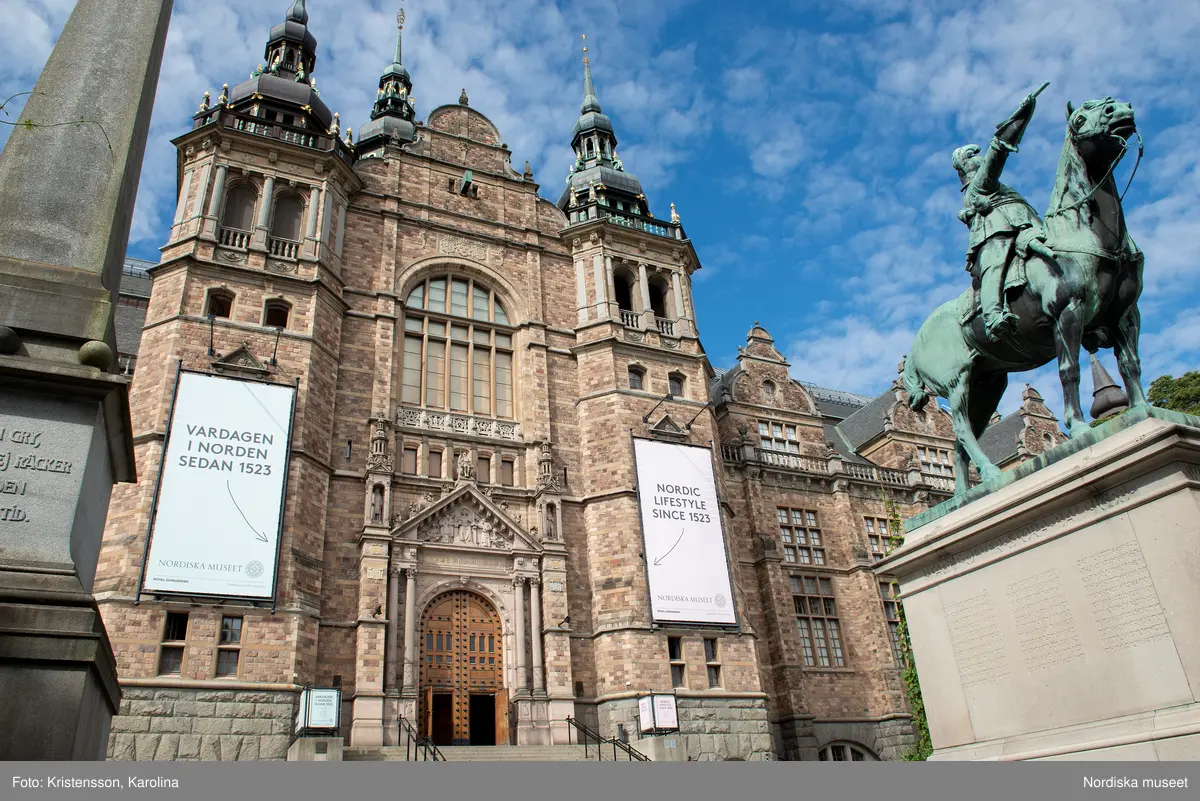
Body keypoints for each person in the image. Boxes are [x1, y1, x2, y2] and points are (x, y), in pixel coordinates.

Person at [953, 84, 1051, 342]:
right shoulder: (978, 185)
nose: (980, 158)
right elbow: (998, 151)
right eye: (975, 156)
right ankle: (994, 315)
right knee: (994, 266)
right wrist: (1021, 116)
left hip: (1026, 226)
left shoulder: (989, 186)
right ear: (967, 165)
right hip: (996, 234)